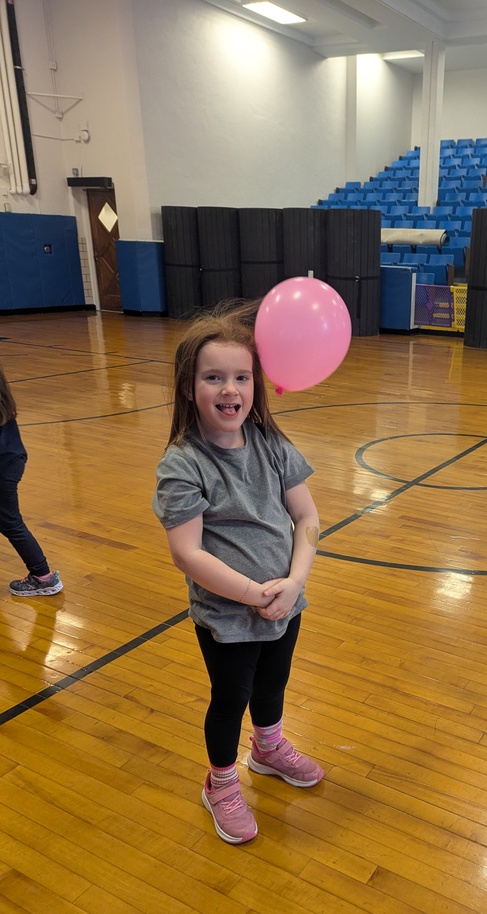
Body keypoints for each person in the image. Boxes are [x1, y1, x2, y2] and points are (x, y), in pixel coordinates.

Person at [153, 301, 323, 845]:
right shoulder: (182, 464)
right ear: (189, 387)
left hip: (284, 603)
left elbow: (307, 516)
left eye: (241, 377)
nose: (230, 390)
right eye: (214, 377)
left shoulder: (273, 444)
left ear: (257, 385)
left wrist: (293, 583)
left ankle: (268, 749)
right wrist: (254, 593)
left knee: (273, 684)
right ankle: (220, 781)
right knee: (230, 700)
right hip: (227, 616)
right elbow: (188, 554)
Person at [0, 364, 63, 597]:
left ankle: (42, 577)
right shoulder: (2, 392)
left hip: (3, 465)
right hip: (12, 459)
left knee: (10, 522)